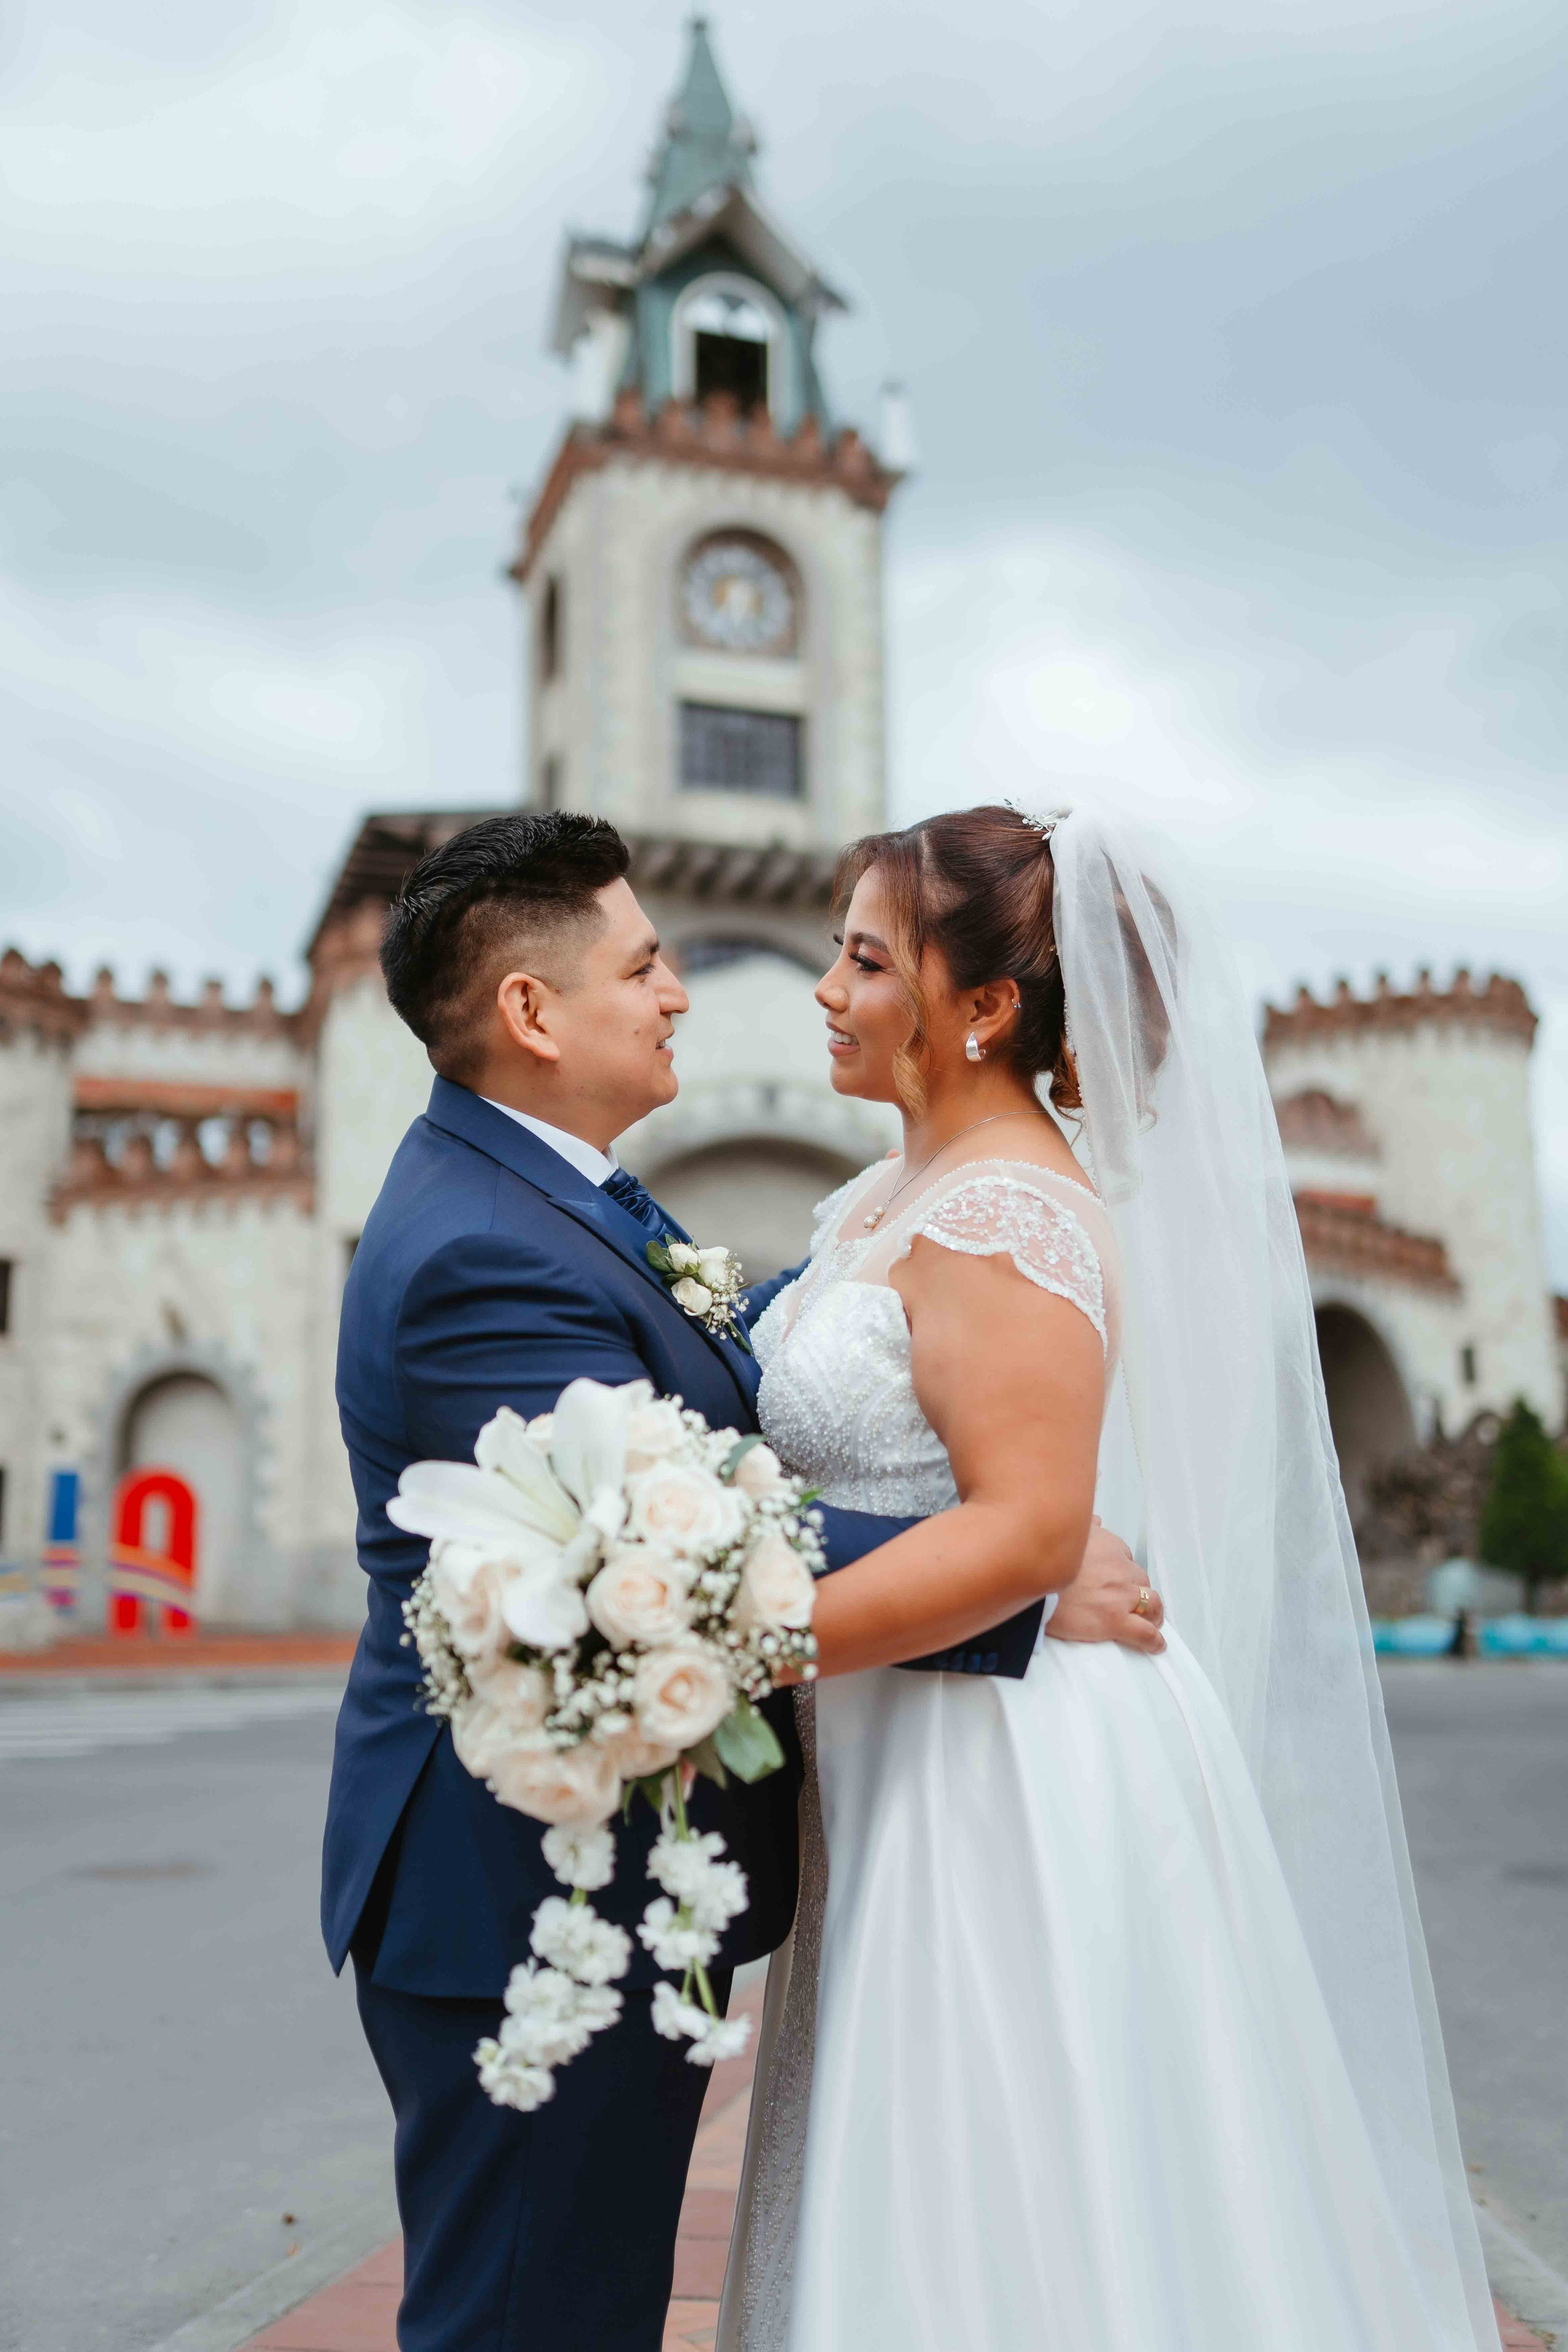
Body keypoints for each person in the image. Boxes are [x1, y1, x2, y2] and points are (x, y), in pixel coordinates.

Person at [321, 810, 1161, 2352]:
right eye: (648, 964)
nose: (684, 991)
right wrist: (1024, 1578)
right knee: (535, 2314)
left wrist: (995, 1513)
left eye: (859, 955)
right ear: (528, 1011)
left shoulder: (562, 1199)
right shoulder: (480, 1249)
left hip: (766, 1833)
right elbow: (633, 1556)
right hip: (528, 1894)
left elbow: (755, 1397)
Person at [719, 802, 1501, 2352]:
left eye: (865, 959)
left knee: (990, 2186)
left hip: (991, 1772)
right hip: (902, 1739)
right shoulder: (880, 1202)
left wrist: (719, 1639)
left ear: (985, 1005)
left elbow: (1021, 1531)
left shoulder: (1007, 1210)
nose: (826, 989)